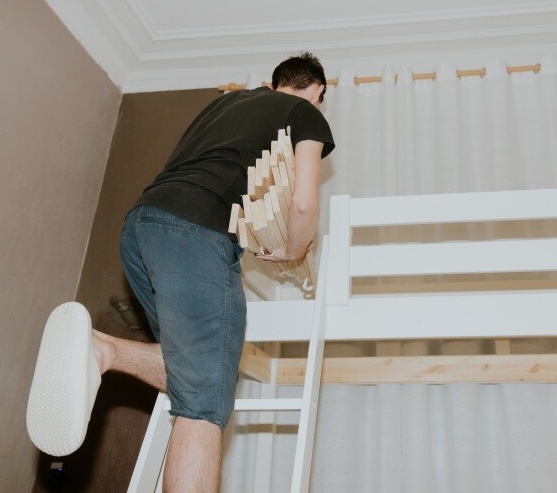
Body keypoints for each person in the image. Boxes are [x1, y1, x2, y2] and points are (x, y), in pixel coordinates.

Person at [26, 52, 335, 492]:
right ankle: (100, 349)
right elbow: (306, 203)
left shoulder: (224, 105)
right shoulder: (304, 112)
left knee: (194, 375)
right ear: (316, 92)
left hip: (143, 227)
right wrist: (293, 248)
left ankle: (103, 351)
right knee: (205, 406)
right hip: (196, 236)